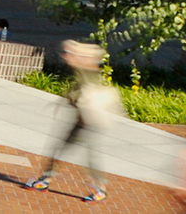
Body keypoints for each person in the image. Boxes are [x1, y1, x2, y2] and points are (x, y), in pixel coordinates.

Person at [22, 40, 123, 203]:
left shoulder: (86, 71)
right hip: (82, 119)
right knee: (61, 148)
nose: (65, 56)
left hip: (89, 121)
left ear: (80, 57)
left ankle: (100, 189)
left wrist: (68, 99)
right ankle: (45, 180)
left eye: (69, 54)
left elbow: (83, 90)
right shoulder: (81, 70)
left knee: (88, 154)